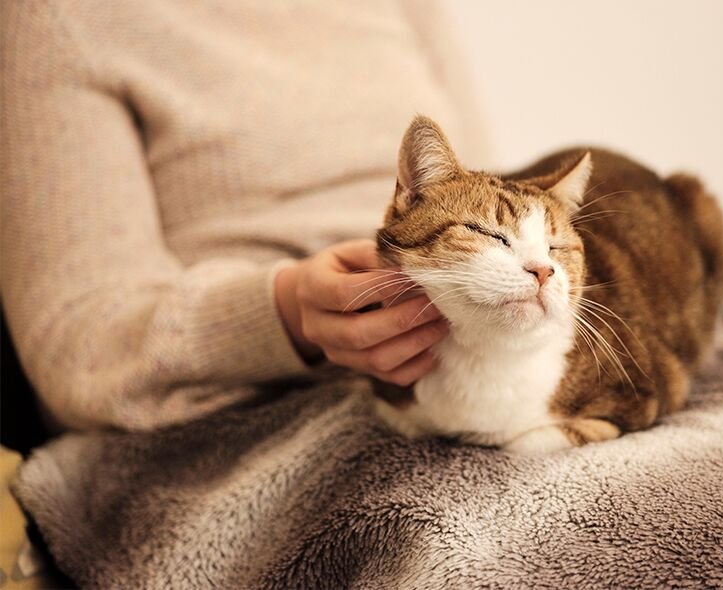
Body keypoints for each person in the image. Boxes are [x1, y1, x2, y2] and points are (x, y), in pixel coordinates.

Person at [0, 0, 487, 431]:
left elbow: (483, 190)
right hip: (233, 417)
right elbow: (76, 355)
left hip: (463, 364)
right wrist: (285, 312)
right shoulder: (57, 15)